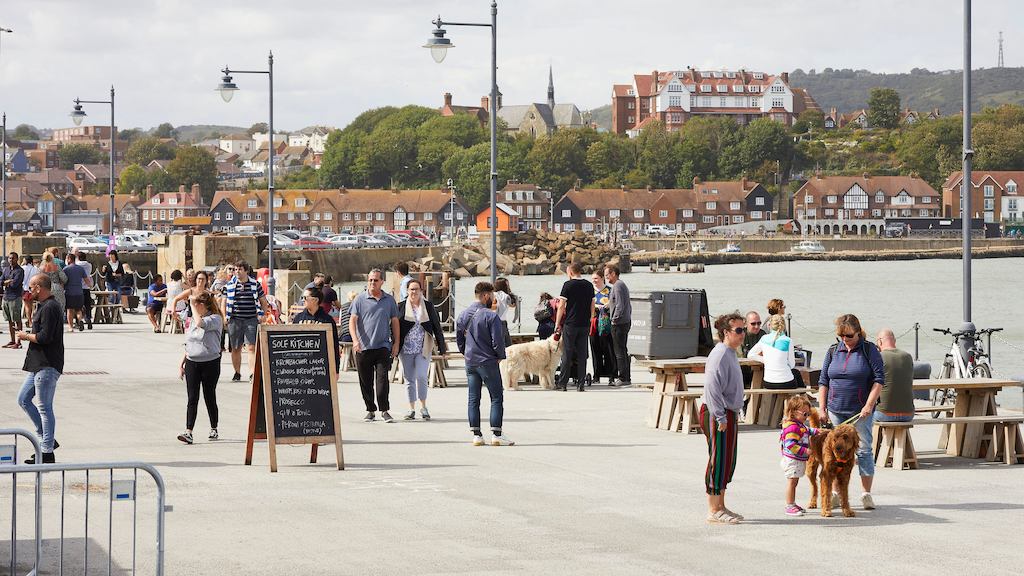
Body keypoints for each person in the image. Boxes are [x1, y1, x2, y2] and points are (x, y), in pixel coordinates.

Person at [818, 313, 885, 511]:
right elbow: (823, 381)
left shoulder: (869, 350)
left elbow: (879, 380)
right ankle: (836, 494)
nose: (845, 339)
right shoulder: (833, 350)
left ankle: (866, 494)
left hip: (860, 411)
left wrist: (869, 405)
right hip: (835, 409)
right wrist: (821, 408)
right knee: (836, 451)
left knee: (863, 450)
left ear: (858, 332)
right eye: (841, 336)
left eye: (849, 336)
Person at [700, 312, 746, 524]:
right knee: (718, 460)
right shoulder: (719, 354)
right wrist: (720, 417)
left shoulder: (731, 352)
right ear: (726, 332)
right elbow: (712, 388)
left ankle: (721, 505)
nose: (743, 334)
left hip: (729, 412)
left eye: (744, 329)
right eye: (739, 330)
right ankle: (713, 509)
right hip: (716, 412)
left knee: (728, 461)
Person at [456, 281, 513, 446]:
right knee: (496, 397)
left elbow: (459, 339)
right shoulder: (491, 316)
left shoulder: (463, 314)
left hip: (470, 362)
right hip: (487, 361)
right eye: (492, 295)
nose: (493, 299)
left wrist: (466, 353)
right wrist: (499, 356)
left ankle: (477, 435)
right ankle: (496, 434)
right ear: (486, 295)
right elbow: (497, 340)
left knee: (473, 398)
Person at [16, 273, 64, 463]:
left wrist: (25, 336)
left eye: (31, 287)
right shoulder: (44, 306)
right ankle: (48, 439)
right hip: (38, 364)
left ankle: (46, 452)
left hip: (47, 364)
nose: (29, 290)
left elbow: (45, 337)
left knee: (44, 408)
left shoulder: (50, 307)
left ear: (39, 287)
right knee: (23, 399)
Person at [349, 268, 400, 423]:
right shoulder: (359, 299)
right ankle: (370, 410)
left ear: (382, 282)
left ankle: (384, 410)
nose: (372, 282)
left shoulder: (389, 300)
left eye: (375, 280)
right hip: (363, 347)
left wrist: (396, 343)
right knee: (365, 382)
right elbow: (352, 321)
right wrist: (355, 340)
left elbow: (395, 322)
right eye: (370, 280)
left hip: (383, 347)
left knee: (382, 380)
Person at [177, 290, 224, 444]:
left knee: (209, 396)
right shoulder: (193, 319)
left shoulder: (215, 319)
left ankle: (214, 427)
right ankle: (188, 431)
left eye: (196, 304)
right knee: (192, 397)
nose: (194, 307)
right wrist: (183, 362)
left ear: (203, 305)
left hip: (210, 362)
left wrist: (192, 303)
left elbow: (200, 324)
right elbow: (189, 341)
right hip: (192, 361)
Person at [397, 279, 447, 421]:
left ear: (421, 291)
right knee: (409, 379)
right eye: (411, 289)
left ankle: (424, 407)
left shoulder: (428, 306)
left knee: (421, 376)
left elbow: (437, 327)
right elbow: (393, 327)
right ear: (407, 291)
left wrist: (442, 348)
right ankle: (411, 409)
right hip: (406, 349)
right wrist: (393, 346)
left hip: (423, 348)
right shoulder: (400, 306)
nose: (414, 292)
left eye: (416, 289)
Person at [222, 261, 273, 381]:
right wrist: (224, 316)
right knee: (236, 348)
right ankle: (237, 372)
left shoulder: (255, 284)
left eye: (240, 269)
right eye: (235, 269)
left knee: (251, 347)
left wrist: (263, 314)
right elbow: (223, 302)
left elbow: (263, 301)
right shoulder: (229, 286)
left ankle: (252, 373)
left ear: (246, 271)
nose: (237, 272)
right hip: (234, 319)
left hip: (251, 319)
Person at [780, 395, 825, 517]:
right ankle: (789, 505)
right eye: (805, 414)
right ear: (793, 412)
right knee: (792, 483)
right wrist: (806, 451)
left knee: (795, 482)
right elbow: (790, 445)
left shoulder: (799, 424)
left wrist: (817, 431)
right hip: (792, 460)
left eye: (808, 414)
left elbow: (807, 430)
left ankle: (792, 503)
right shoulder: (792, 427)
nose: (807, 417)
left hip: (796, 460)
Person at [553, 262, 595, 392]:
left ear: (570, 272)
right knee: (582, 354)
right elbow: (592, 303)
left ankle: (563, 383)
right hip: (584, 323)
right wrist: (591, 318)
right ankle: (580, 383)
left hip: (571, 323)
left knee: (567, 353)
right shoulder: (589, 285)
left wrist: (557, 323)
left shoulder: (568, 285)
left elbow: (561, 306)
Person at [292, 286, 341, 372]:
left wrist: (336, 369)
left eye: (305, 298)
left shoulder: (327, 320)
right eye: (302, 297)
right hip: (301, 365)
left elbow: (335, 345)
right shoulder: (298, 319)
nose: (303, 300)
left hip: (321, 365)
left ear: (315, 300)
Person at [874, 329, 915, 423]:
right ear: (894, 341)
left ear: (880, 342)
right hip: (908, 414)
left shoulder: (878, 357)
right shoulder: (908, 356)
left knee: (865, 415)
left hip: (884, 414)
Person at [747, 314, 798, 389]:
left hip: (768, 382)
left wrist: (765, 360)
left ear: (769, 325)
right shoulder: (788, 340)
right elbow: (792, 365)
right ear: (784, 326)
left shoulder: (764, 338)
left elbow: (750, 355)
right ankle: (804, 395)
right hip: (786, 382)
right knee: (797, 375)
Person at [605, 264, 632, 387]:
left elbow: (620, 305)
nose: (606, 278)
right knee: (622, 350)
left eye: (607, 275)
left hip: (619, 323)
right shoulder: (620, 285)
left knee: (619, 351)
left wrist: (614, 319)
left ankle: (623, 377)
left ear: (613, 274)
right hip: (624, 321)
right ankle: (626, 377)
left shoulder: (618, 286)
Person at [589, 270, 615, 385]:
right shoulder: (590, 291)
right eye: (592, 279)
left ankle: (611, 375)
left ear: (602, 278)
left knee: (608, 349)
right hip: (594, 324)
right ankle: (597, 375)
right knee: (595, 349)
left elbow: (614, 303)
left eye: (596, 278)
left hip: (606, 324)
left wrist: (607, 305)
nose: (594, 281)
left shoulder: (610, 290)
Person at [2, 252, 25, 349]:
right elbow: (1, 281)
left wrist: (8, 282)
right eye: (10, 258)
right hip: (6, 297)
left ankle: (18, 342)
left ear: (17, 259)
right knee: (9, 321)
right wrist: (6, 282)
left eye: (13, 258)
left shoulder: (20, 271)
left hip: (15, 297)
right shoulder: (6, 269)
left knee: (17, 320)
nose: (11, 260)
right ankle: (12, 340)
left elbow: (15, 284)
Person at [62, 253, 88, 332]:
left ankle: (71, 327)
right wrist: (90, 286)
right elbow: (86, 280)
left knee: (70, 310)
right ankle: (80, 320)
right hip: (79, 292)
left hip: (69, 292)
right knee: (78, 309)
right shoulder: (80, 269)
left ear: (69, 259)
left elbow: (63, 281)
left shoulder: (65, 269)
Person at [493, 277, 516, 347]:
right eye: (507, 285)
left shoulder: (495, 295)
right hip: (500, 321)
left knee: (503, 343)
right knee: (505, 344)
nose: (508, 287)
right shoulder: (502, 296)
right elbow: (512, 305)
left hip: (498, 321)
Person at [75, 252, 94, 330]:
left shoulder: (77, 265)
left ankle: (79, 321)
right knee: (87, 305)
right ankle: (88, 319)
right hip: (86, 287)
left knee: (78, 306)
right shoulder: (89, 265)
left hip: (78, 288)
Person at [20, 255, 39, 328]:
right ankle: (30, 319)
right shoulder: (35, 269)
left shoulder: (22, 268)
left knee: (27, 306)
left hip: (25, 288)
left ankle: (29, 320)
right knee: (30, 306)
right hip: (32, 289)